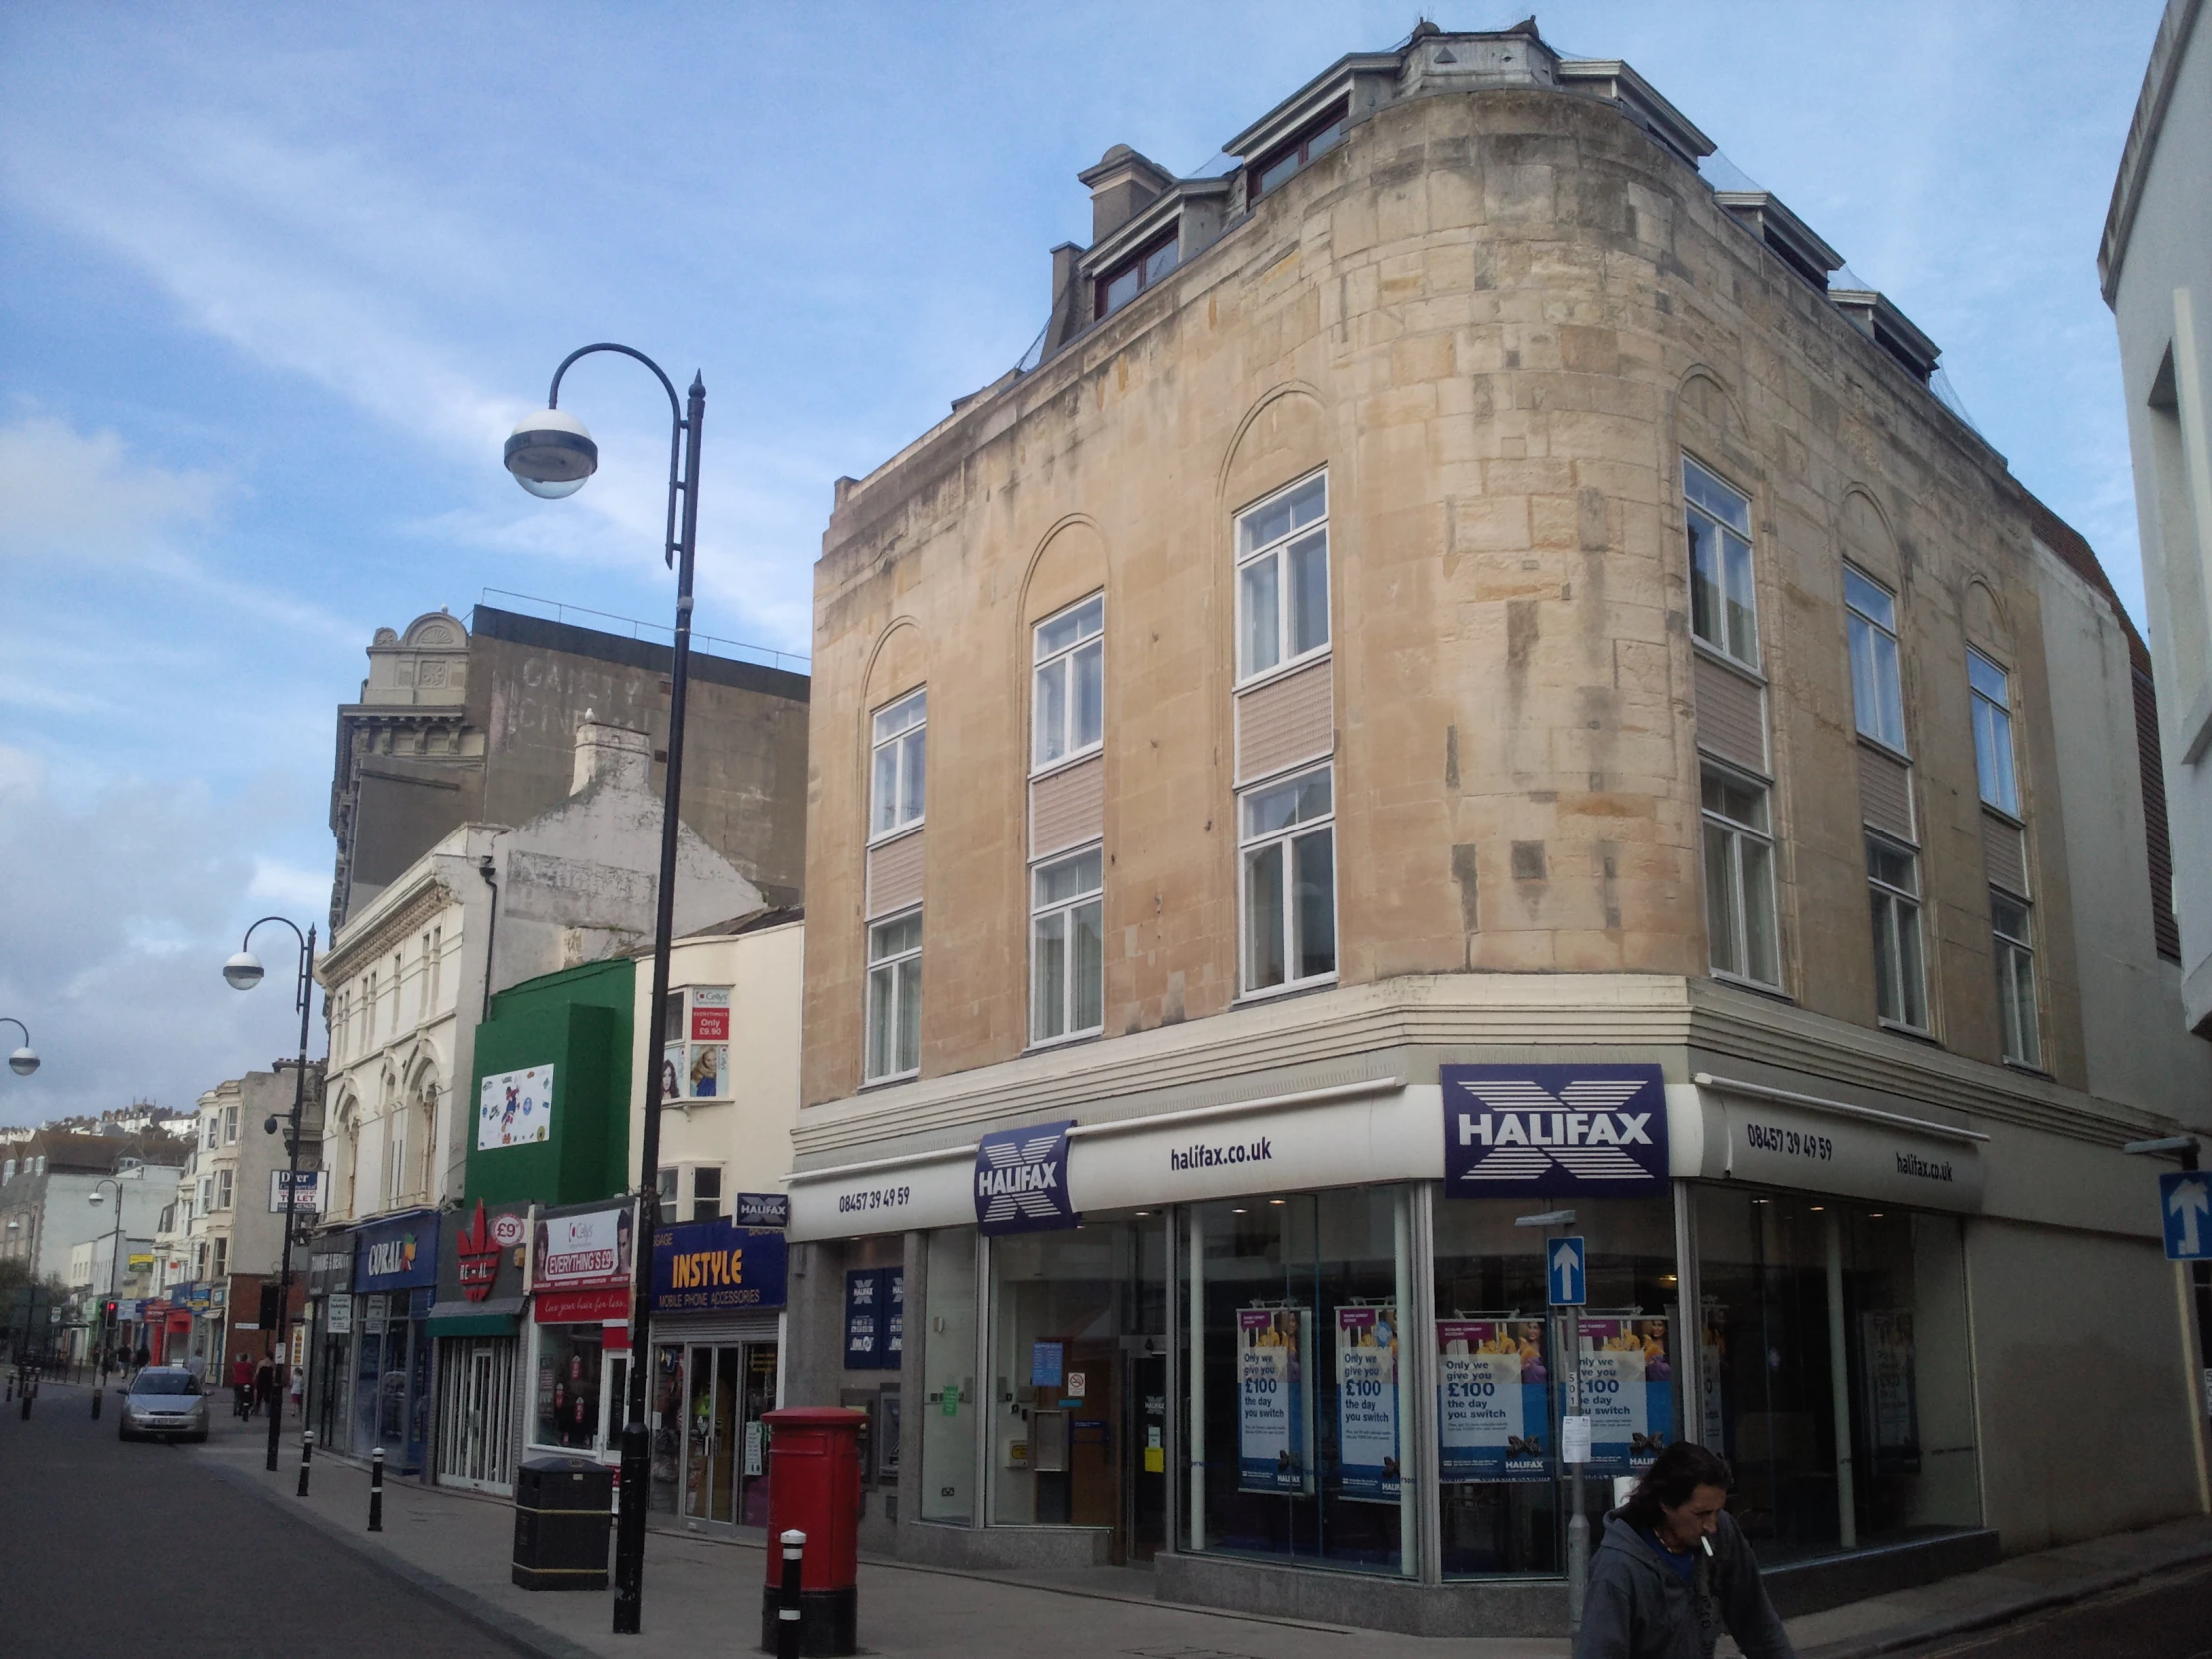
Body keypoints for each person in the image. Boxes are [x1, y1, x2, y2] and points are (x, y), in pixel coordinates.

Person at [1575, 1442, 1794, 1659]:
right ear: (1666, 1504)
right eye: (1701, 1514)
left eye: (1718, 1511)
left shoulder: (1721, 1535)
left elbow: (1757, 1624)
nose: (1712, 1525)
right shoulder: (1618, 1569)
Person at [229, 1352, 254, 1419]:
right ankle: (241, 1410)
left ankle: (234, 1410)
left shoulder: (235, 1364)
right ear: (246, 1358)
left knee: (236, 1397)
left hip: (236, 1382)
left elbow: (234, 1372)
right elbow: (250, 1373)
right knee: (244, 1398)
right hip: (245, 1382)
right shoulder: (248, 1364)